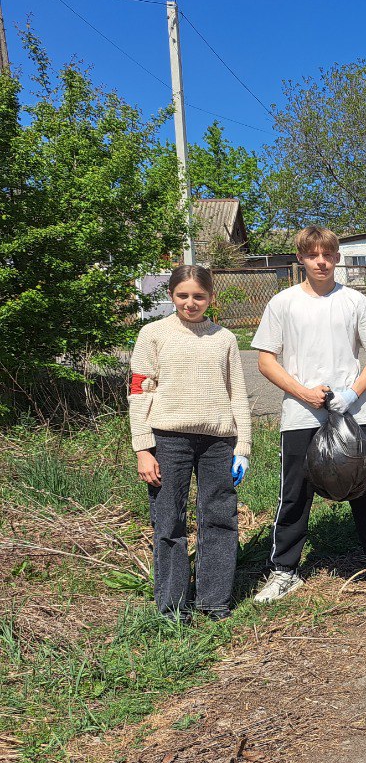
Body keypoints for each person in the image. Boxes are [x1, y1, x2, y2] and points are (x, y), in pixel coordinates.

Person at [252, 226, 366, 602]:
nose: (320, 261)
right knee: (295, 493)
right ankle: (285, 571)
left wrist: (350, 393)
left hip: (351, 414)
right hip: (301, 415)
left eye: (327, 254)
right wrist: (304, 393)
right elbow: (265, 360)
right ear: (301, 259)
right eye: (312, 255)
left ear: (337, 258)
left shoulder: (354, 302)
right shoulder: (283, 303)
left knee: (363, 489)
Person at [129, 265, 252, 622]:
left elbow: (238, 395)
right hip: (168, 440)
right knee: (169, 522)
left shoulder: (225, 338)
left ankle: (214, 602)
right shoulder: (153, 334)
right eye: (183, 295)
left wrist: (242, 447)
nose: (190, 303)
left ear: (211, 297)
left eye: (199, 296)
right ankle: (173, 608)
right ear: (171, 296)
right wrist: (142, 448)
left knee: (219, 518)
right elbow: (139, 392)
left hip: (218, 442)